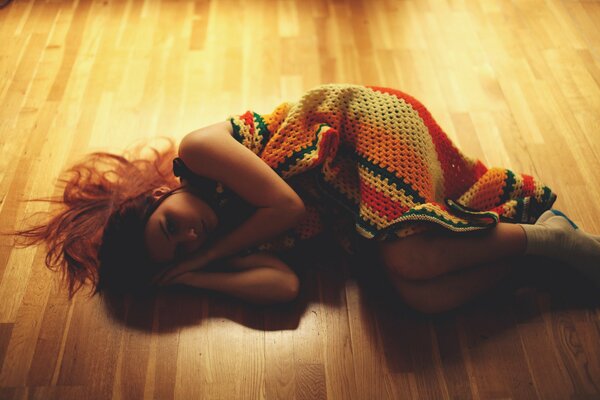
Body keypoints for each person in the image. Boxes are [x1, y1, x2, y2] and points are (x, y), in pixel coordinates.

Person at [14, 84, 600, 312]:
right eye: (180, 246)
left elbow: (289, 209)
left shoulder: (200, 152)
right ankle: (547, 245)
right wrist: (194, 273)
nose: (191, 236)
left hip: (364, 125)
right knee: (421, 297)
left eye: (172, 226)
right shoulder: (218, 244)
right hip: (357, 202)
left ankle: (556, 243)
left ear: (165, 192)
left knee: (406, 259)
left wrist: (195, 257)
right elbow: (283, 287)